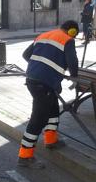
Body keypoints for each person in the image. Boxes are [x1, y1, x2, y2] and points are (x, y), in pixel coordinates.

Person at [19, 20, 80, 169]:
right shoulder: (68, 40)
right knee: (38, 119)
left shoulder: (44, 35)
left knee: (53, 108)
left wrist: (39, 65)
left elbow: (26, 54)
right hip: (43, 83)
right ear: (72, 31)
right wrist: (74, 77)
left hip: (32, 79)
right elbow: (73, 62)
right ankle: (24, 156)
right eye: (75, 34)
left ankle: (51, 140)